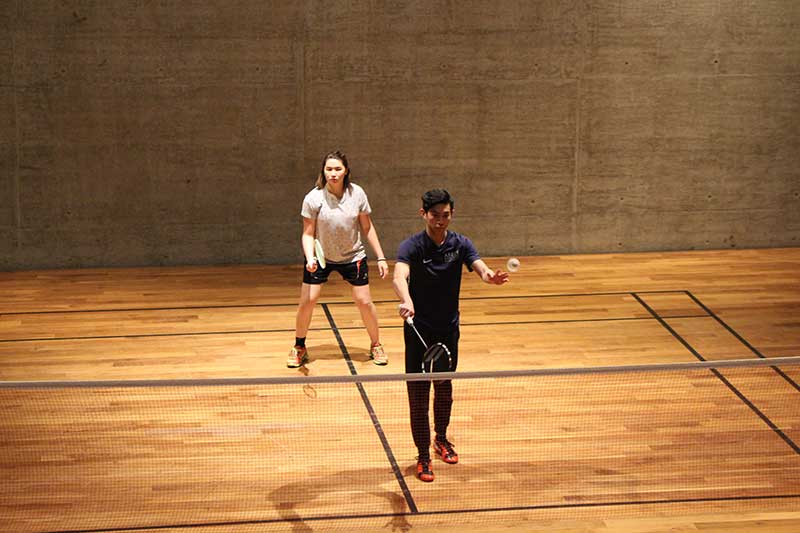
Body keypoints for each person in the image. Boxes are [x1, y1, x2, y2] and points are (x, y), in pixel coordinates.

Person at [392, 189, 508, 482]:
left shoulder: (460, 244)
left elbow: (478, 266)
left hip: (447, 329)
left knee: (444, 388)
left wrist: (489, 277)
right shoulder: (412, 246)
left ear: (451, 214)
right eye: (434, 215)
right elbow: (399, 275)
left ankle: (440, 439)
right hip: (419, 329)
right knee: (418, 395)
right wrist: (406, 299)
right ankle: (422, 454)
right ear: (423, 214)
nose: (440, 221)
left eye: (445, 215)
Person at [288, 150, 389, 367]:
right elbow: (307, 233)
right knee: (308, 300)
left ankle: (376, 345)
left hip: (354, 256)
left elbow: (367, 227)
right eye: (329, 169)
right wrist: (310, 258)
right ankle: (299, 346)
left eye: (337, 169)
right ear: (323, 172)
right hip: (321, 256)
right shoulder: (313, 198)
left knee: (364, 302)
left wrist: (380, 257)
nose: (333, 173)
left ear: (346, 171)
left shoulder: (358, 194)